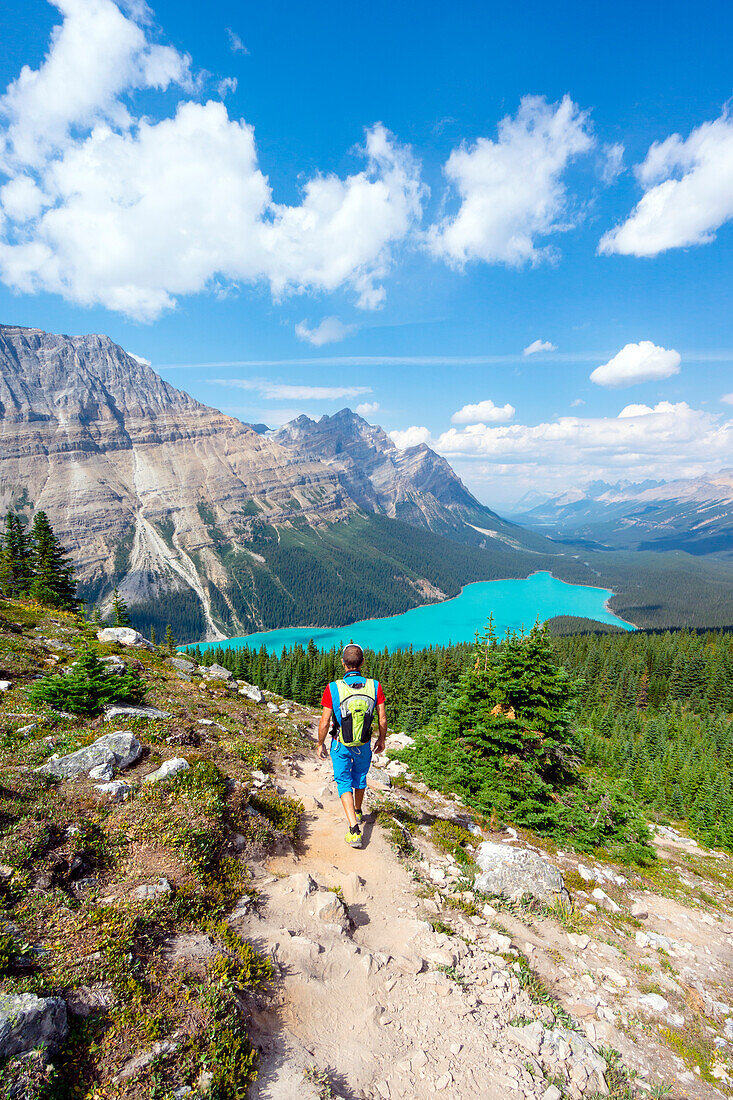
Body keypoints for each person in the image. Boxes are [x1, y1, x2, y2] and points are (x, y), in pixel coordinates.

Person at [317, 643, 387, 848]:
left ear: (343, 663)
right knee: (359, 776)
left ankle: (354, 830)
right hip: (364, 744)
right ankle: (358, 810)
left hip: (340, 744)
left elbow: (324, 721)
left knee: (343, 781)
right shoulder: (374, 686)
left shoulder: (333, 687)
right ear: (362, 662)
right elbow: (382, 718)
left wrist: (320, 743)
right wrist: (381, 739)